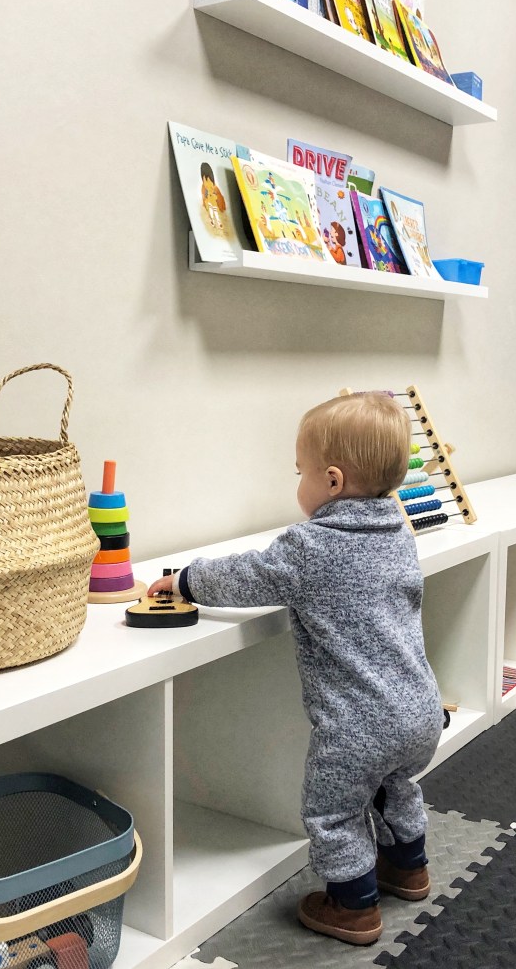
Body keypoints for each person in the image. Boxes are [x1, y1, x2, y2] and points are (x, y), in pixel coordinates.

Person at [148, 392, 443, 946]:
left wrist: (184, 579)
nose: (298, 483)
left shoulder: (310, 546)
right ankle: (410, 868)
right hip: (421, 709)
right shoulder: (400, 535)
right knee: (396, 784)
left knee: (332, 810)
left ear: (331, 481)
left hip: (358, 727)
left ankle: (353, 907)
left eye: (299, 472)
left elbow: (247, 576)